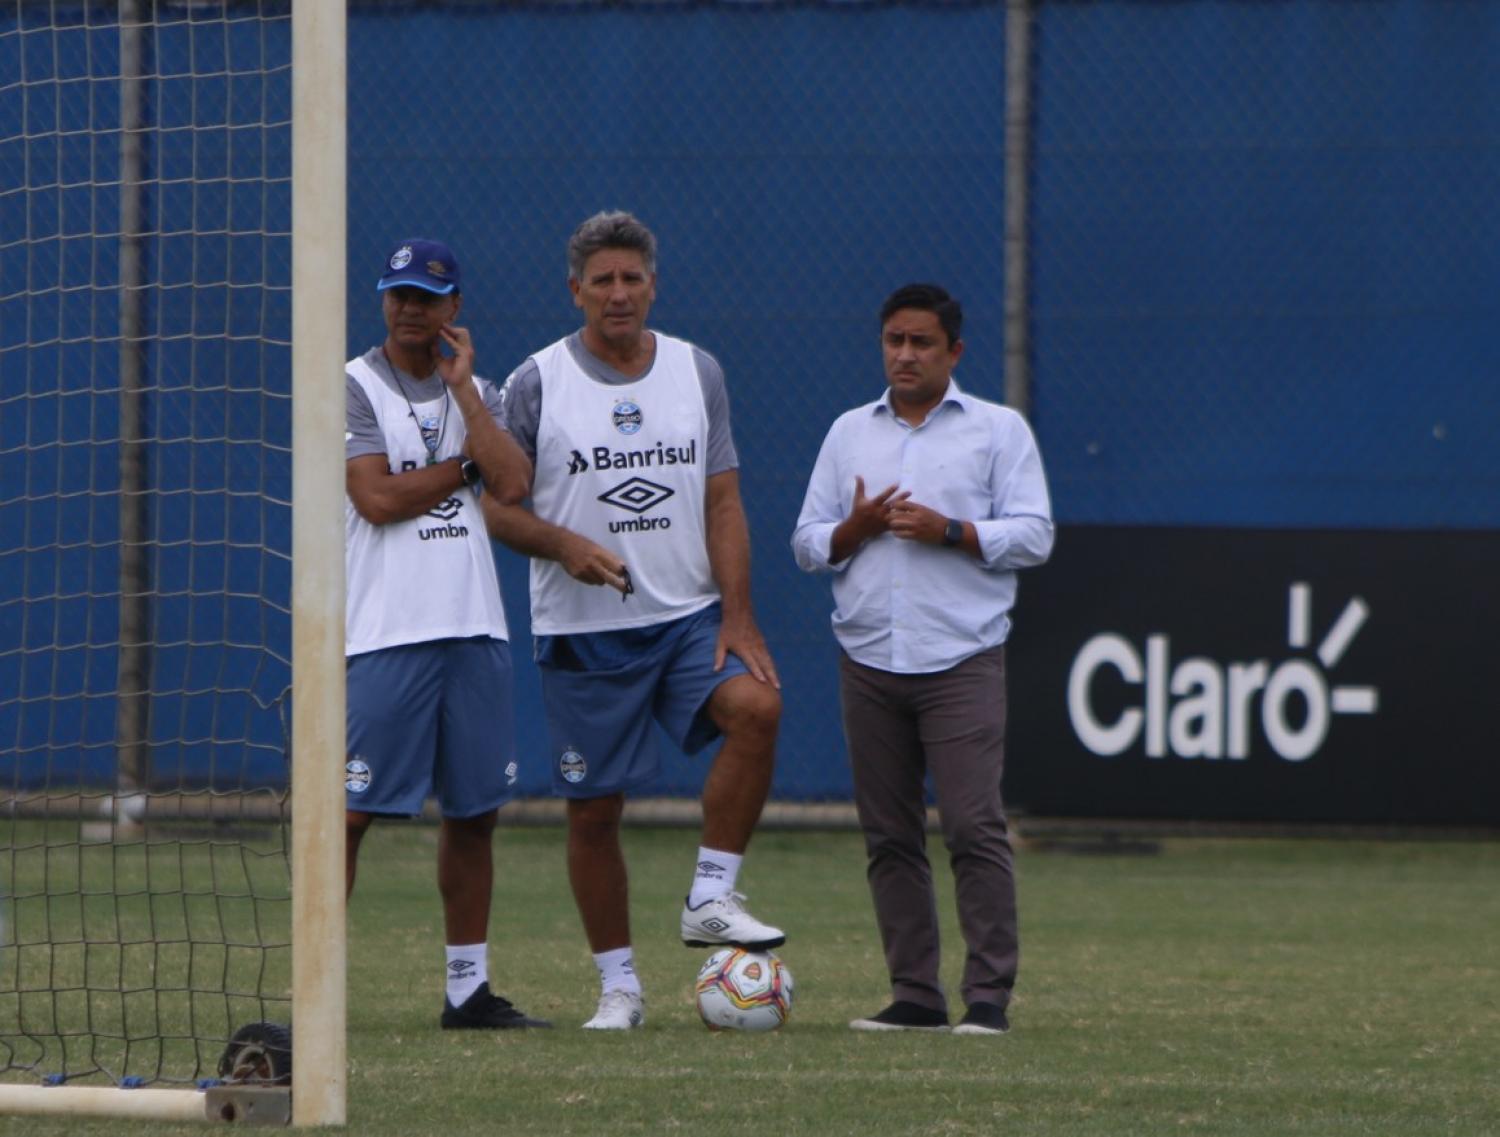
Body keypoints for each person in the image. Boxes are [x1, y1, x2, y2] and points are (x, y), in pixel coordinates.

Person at [486, 211, 784, 1031]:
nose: (618, 294)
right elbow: (496, 509)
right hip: (586, 628)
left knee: (757, 706)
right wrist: (563, 544)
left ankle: (712, 896)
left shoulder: (697, 370)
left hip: (689, 616)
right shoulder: (536, 381)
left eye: (632, 279)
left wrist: (741, 614)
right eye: (602, 281)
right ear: (575, 289)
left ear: (654, 285)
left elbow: (723, 500)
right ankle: (620, 987)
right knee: (595, 810)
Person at [791, 282, 1053, 1035]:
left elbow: (1034, 535)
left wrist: (952, 531)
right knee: (890, 835)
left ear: (955, 351)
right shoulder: (849, 433)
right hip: (870, 658)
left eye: (921, 343)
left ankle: (988, 998)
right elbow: (807, 542)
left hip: (961, 657)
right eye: (893, 340)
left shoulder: (996, 431)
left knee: (973, 826)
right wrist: (855, 528)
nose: (904, 354)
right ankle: (914, 995)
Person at [343, 237, 549, 1030]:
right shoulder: (357, 385)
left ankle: (467, 989)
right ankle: (310, 985)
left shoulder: (479, 394)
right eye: (397, 294)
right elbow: (378, 501)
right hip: (386, 631)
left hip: (473, 628)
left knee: (474, 813)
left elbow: (515, 481)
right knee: (351, 814)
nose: (409, 310)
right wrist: (462, 468)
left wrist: (466, 399)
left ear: (453, 309)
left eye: (426, 298)